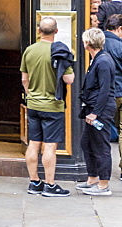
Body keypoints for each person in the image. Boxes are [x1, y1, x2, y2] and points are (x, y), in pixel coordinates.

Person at [20, 16, 74, 197]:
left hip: (33, 104)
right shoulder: (59, 51)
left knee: (34, 143)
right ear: (56, 31)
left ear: (38, 31)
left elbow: (24, 79)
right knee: (50, 146)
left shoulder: (29, 50)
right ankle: (50, 185)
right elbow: (69, 79)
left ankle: (34, 182)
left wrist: (31, 96)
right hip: (53, 105)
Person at [77, 28, 115, 196]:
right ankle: (92, 178)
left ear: (88, 43)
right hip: (93, 108)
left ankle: (103, 184)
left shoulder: (103, 62)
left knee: (101, 145)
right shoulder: (96, 60)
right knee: (87, 143)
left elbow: (105, 91)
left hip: (101, 110)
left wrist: (95, 113)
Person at [104, 14, 122, 169]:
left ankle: (100, 170)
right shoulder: (120, 46)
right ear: (119, 29)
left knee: (101, 129)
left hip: (103, 93)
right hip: (120, 91)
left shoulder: (98, 42)